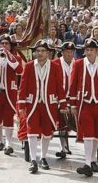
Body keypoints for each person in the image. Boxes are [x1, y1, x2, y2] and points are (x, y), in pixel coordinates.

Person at [17, 39, 67, 174]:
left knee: (47, 132)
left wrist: (63, 103)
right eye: (38, 51)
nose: (40, 53)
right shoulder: (28, 66)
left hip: (49, 104)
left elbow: (59, 87)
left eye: (43, 51)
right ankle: (34, 160)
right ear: (34, 53)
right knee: (31, 131)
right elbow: (22, 87)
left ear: (48, 53)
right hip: (32, 103)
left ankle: (43, 157)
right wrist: (21, 104)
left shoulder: (55, 67)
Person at [70, 38, 98, 177]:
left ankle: (92, 160)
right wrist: (72, 104)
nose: (89, 52)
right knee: (88, 134)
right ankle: (87, 163)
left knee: (96, 134)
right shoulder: (78, 64)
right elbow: (72, 84)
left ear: (96, 51)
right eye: (87, 50)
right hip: (84, 104)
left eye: (92, 50)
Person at [53, 41, 76, 159]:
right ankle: (63, 147)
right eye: (67, 52)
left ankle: (66, 145)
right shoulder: (55, 63)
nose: (69, 54)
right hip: (58, 98)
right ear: (62, 52)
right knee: (61, 122)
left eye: (71, 52)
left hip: (72, 98)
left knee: (72, 121)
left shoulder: (77, 64)